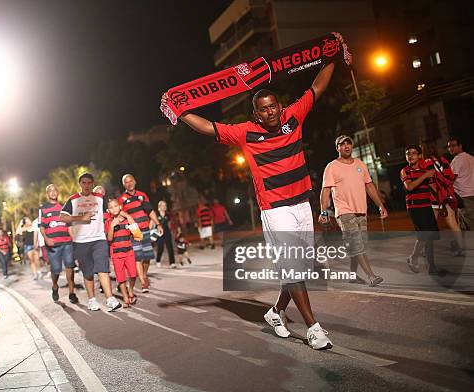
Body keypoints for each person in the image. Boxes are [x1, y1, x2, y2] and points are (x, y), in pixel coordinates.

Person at [161, 35, 344, 349]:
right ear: (256, 114)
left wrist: (333, 56)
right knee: (294, 265)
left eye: (273, 106)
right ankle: (313, 327)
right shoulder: (245, 133)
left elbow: (317, 88)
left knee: (301, 266)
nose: (271, 112)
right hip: (276, 208)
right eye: (264, 110)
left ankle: (275, 313)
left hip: (302, 203)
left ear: (280, 106)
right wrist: (179, 112)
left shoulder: (294, 117)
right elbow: (209, 128)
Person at [320, 135, 387, 287]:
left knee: (360, 243)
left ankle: (352, 275)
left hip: (361, 210)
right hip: (344, 211)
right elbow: (325, 191)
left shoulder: (360, 164)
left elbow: (369, 186)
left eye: (348, 144)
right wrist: (324, 212)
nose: (346, 146)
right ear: (337, 148)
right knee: (356, 244)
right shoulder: (331, 167)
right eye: (342, 144)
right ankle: (371, 276)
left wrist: (381, 205)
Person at [60, 173, 122, 312]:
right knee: (88, 273)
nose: (87, 185)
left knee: (103, 268)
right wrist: (80, 218)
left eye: (89, 183)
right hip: (81, 241)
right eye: (84, 183)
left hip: (99, 239)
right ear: (80, 184)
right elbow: (62, 217)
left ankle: (110, 299)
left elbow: (113, 208)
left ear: (93, 184)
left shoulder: (100, 198)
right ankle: (91, 300)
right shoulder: (73, 200)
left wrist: (126, 218)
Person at [119, 174, 163, 293]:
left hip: (145, 229)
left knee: (147, 257)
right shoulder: (122, 199)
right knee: (138, 257)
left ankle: (144, 275)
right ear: (124, 184)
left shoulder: (142, 195)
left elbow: (149, 211)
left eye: (131, 181)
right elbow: (119, 213)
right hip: (134, 232)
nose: (129, 183)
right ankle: (143, 282)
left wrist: (158, 224)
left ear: (135, 181)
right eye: (126, 182)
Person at [401, 145, 440, 274]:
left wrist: (441, 203)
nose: (410, 156)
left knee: (429, 237)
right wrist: (425, 176)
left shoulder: (425, 171)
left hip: (427, 206)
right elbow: (410, 187)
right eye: (408, 154)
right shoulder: (405, 171)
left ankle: (430, 266)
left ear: (419, 155)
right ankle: (414, 257)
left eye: (413, 153)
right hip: (414, 208)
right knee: (424, 236)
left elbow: (433, 187)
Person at [39, 184, 78, 303]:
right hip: (53, 245)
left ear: (58, 192)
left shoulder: (65, 207)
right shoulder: (43, 209)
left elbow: (70, 226)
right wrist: (46, 238)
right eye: (50, 190)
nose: (53, 192)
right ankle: (55, 286)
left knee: (69, 266)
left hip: (67, 243)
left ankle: (72, 292)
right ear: (47, 194)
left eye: (55, 190)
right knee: (56, 269)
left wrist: (75, 240)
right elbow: (41, 226)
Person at [424, 142, 465, 256]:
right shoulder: (444, 160)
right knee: (453, 223)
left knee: (431, 224)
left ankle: (427, 250)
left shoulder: (426, 162)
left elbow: (431, 181)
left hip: (435, 196)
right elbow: (451, 177)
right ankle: (461, 248)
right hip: (447, 194)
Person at [105, 199, 138, 307]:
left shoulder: (126, 219)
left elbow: (136, 232)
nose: (114, 208)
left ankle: (131, 290)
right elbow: (109, 239)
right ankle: (125, 297)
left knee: (133, 275)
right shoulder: (109, 222)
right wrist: (112, 226)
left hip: (129, 252)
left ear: (120, 207)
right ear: (108, 210)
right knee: (121, 278)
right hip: (116, 254)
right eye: (111, 207)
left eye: (115, 206)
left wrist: (128, 216)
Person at [447, 137, 474, 230]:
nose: (451, 148)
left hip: (464, 196)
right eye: (449, 146)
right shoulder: (471, 158)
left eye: (453, 146)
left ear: (460, 146)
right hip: (472, 193)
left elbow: (450, 179)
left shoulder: (457, 160)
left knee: (468, 224)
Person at [156, 200, 176, 268]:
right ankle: (158, 260)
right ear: (160, 206)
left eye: (165, 205)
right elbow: (152, 223)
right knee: (160, 248)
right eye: (163, 205)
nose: (165, 207)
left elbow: (170, 224)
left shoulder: (168, 215)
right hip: (159, 234)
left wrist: (174, 231)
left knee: (170, 247)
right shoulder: (156, 214)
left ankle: (172, 263)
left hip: (167, 233)